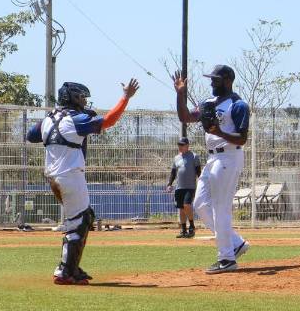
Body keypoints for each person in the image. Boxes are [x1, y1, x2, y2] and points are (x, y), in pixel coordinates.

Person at [27, 79, 139, 284]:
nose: (84, 101)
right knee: (78, 222)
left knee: (83, 217)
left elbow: (31, 135)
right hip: (69, 175)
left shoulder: (50, 118)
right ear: (73, 98)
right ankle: (65, 271)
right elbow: (109, 121)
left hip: (54, 175)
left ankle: (70, 267)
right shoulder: (75, 119)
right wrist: (125, 98)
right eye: (82, 98)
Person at [173, 65, 251, 274]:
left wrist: (219, 131)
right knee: (199, 203)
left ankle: (227, 259)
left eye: (215, 79)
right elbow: (186, 117)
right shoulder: (208, 103)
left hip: (229, 155)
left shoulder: (238, 105)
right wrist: (180, 94)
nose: (211, 83)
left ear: (227, 81)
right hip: (212, 158)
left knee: (220, 207)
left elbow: (242, 138)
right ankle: (235, 243)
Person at [166, 137, 201, 238]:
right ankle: (183, 230)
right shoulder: (176, 158)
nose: (180, 147)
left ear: (187, 145)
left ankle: (192, 226)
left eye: (182, 145)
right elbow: (173, 173)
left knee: (186, 205)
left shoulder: (194, 156)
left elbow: (199, 172)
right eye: (179, 145)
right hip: (179, 187)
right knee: (181, 208)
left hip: (190, 186)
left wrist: (202, 184)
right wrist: (169, 184)